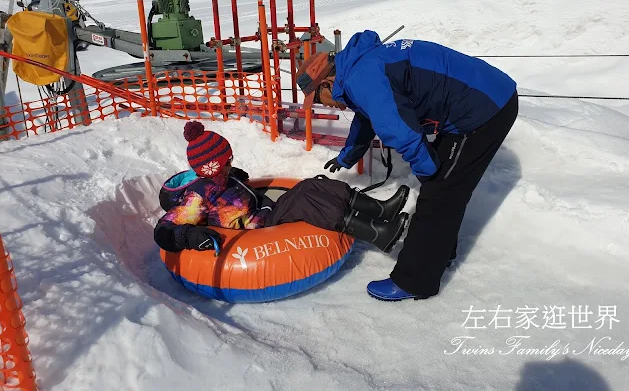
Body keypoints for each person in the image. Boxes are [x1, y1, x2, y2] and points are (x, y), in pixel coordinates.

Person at [296, 30, 519, 302]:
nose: (325, 106)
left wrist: (430, 173)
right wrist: (348, 156)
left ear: (327, 83)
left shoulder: (362, 78)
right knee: (443, 189)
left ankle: (415, 281)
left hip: (484, 109)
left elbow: (399, 131)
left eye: (319, 100)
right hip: (484, 96)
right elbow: (367, 117)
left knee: (440, 193)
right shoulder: (358, 67)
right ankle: (439, 253)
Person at [154, 120, 412, 254]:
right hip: (258, 230)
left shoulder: (224, 177)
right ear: (213, 166)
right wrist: (187, 237)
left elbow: (234, 190)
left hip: (266, 212)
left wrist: (236, 178)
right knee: (307, 202)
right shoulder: (198, 196)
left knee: (310, 185)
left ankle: (380, 210)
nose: (231, 162)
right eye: (226, 160)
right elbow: (165, 228)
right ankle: (379, 234)